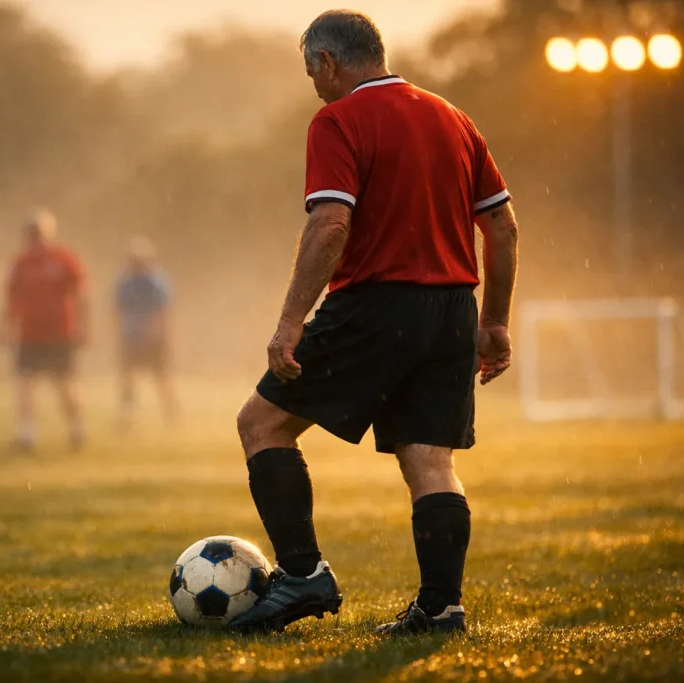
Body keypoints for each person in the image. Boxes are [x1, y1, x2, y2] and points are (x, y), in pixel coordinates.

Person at [229, 10, 519, 636]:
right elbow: (501, 226)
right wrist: (494, 321)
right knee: (430, 462)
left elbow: (332, 223)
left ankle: (303, 576)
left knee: (261, 424)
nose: (314, 86)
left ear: (329, 63)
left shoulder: (338, 119)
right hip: (452, 309)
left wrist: (289, 323)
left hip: (378, 304)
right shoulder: (453, 118)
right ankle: (441, 609)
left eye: (313, 72)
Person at [0, 210, 88, 452]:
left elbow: (81, 295)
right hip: (30, 334)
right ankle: (27, 435)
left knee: (65, 384)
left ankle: (77, 429)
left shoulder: (64, 258)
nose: (35, 238)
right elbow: (11, 297)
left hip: (60, 332)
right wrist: (6, 327)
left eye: (38, 232)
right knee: (24, 383)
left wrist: (83, 326)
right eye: (31, 233)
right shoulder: (20, 262)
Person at [114, 237, 176, 429]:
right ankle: (127, 418)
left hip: (153, 339)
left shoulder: (156, 281)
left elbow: (164, 310)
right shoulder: (125, 281)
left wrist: (163, 334)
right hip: (131, 337)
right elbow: (117, 309)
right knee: (128, 378)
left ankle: (170, 413)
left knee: (161, 376)